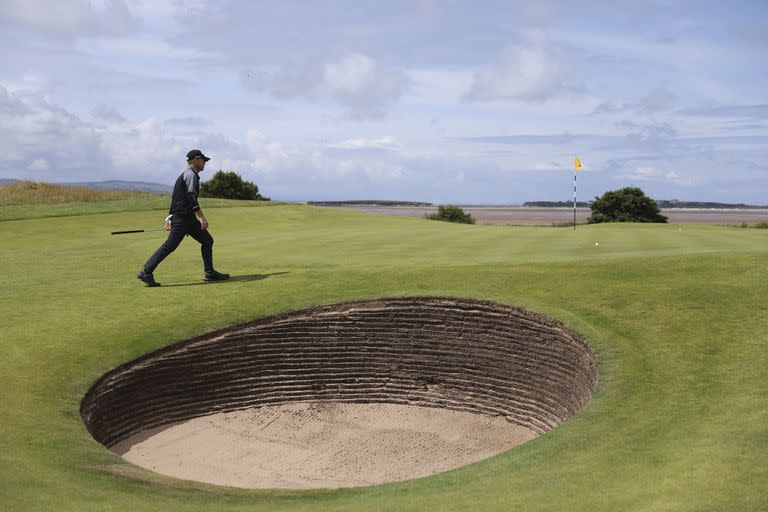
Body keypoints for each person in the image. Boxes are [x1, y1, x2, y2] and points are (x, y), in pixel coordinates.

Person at [137, 149, 229, 287]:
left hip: (187, 219)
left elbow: (177, 198)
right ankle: (146, 271)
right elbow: (191, 198)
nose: (205, 163)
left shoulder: (189, 175)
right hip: (183, 219)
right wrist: (201, 217)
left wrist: (169, 217)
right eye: (203, 160)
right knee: (169, 246)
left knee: (207, 241)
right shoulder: (190, 175)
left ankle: (210, 273)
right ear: (196, 160)